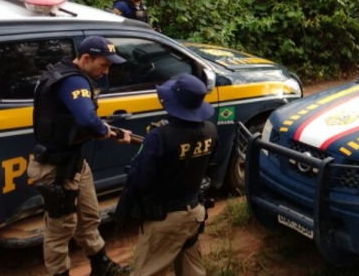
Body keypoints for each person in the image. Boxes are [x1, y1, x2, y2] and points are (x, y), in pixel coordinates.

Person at [27, 36, 133, 276]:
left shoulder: (66, 71)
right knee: (60, 229)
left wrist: (111, 130)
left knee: (88, 216)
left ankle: (101, 265)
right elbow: (87, 120)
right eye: (103, 65)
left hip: (74, 162)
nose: (105, 72)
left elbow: (78, 123)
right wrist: (103, 129)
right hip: (54, 168)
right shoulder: (73, 81)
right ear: (86, 58)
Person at [125, 74, 218, 276]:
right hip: (194, 212)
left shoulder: (158, 136)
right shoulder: (211, 130)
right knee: (192, 269)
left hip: (165, 219)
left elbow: (140, 180)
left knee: (147, 271)